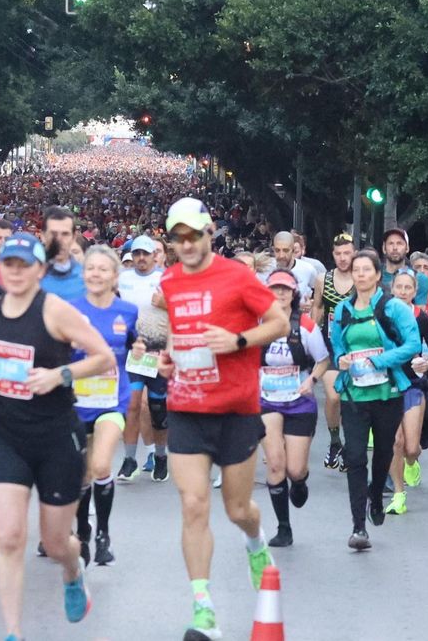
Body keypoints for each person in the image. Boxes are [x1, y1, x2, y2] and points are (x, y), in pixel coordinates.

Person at [0, 232, 112, 641]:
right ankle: (13, 633)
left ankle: (72, 569)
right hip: (7, 435)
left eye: (23, 265)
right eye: (8, 264)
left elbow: (102, 356)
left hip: (55, 438)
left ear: (40, 271)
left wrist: (60, 374)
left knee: (55, 540)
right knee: (9, 537)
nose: (14, 272)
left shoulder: (55, 311)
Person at [157, 197, 286, 641]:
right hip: (187, 408)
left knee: (237, 509)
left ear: (210, 232)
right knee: (193, 505)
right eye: (179, 237)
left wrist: (237, 340)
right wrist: (169, 359)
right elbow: (177, 329)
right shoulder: (170, 282)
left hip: (235, 409)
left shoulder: (237, 276)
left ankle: (255, 541)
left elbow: (279, 321)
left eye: (194, 234)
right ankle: (203, 607)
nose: (187, 244)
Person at [328, 252, 427, 550]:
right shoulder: (343, 310)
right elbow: (336, 346)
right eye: (355, 270)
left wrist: (380, 360)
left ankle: (376, 493)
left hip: (387, 393)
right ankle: (359, 526)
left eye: (365, 270)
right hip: (354, 394)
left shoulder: (393, 307)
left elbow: (412, 345)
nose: (359, 275)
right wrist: (341, 360)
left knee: (384, 451)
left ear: (376, 275)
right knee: (356, 456)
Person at [69, 245, 138, 566]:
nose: (95, 274)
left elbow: (137, 345)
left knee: (100, 466)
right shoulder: (69, 311)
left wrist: (140, 350)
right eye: (90, 268)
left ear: (114, 276)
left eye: (103, 269)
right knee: (81, 475)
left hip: (113, 400)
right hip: (77, 403)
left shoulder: (127, 311)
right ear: (83, 274)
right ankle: (82, 530)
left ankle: (103, 535)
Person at [258, 270, 329, 548]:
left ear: (293, 293)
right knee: (275, 463)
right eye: (275, 289)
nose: (280, 294)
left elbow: (323, 360)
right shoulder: (259, 324)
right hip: (267, 400)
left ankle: (299, 483)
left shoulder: (307, 326)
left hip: (299, 402)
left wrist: (311, 380)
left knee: (295, 469)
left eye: (285, 289)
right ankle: (283, 528)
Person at [385, 268, 428, 515]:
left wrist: (427, 363)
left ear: (415, 291)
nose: (403, 292)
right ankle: (398, 494)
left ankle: (411, 461)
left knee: (410, 447)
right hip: (388, 385)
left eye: (408, 288)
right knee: (395, 441)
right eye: (399, 287)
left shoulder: (421, 317)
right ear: (392, 288)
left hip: (413, 385)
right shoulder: (383, 315)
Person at [115, 234, 166, 482]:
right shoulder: (123, 280)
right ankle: (129, 459)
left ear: (154, 256)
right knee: (132, 405)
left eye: (146, 253)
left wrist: (165, 304)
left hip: (159, 351)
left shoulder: (164, 279)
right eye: (137, 254)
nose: (141, 258)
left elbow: (179, 310)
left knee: (157, 410)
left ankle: (161, 456)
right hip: (132, 352)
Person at [313, 233, 355, 471]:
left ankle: (350, 445)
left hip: (356, 347)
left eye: (347, 253)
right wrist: (309, 338)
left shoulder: (362, 278)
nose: (342, 258)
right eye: (338, 254)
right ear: (333, 255)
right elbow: (318, 308)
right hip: (330, 345)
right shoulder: (323, 279)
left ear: (354, 253)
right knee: (334, 396)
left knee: (352, 400)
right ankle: (334, 440)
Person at [38, 207, 84, 301]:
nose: (59, 240)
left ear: (74, 237)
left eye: (65, 234)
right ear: (42, 236)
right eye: (53, 234)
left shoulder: (87, 278)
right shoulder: (29, 277)